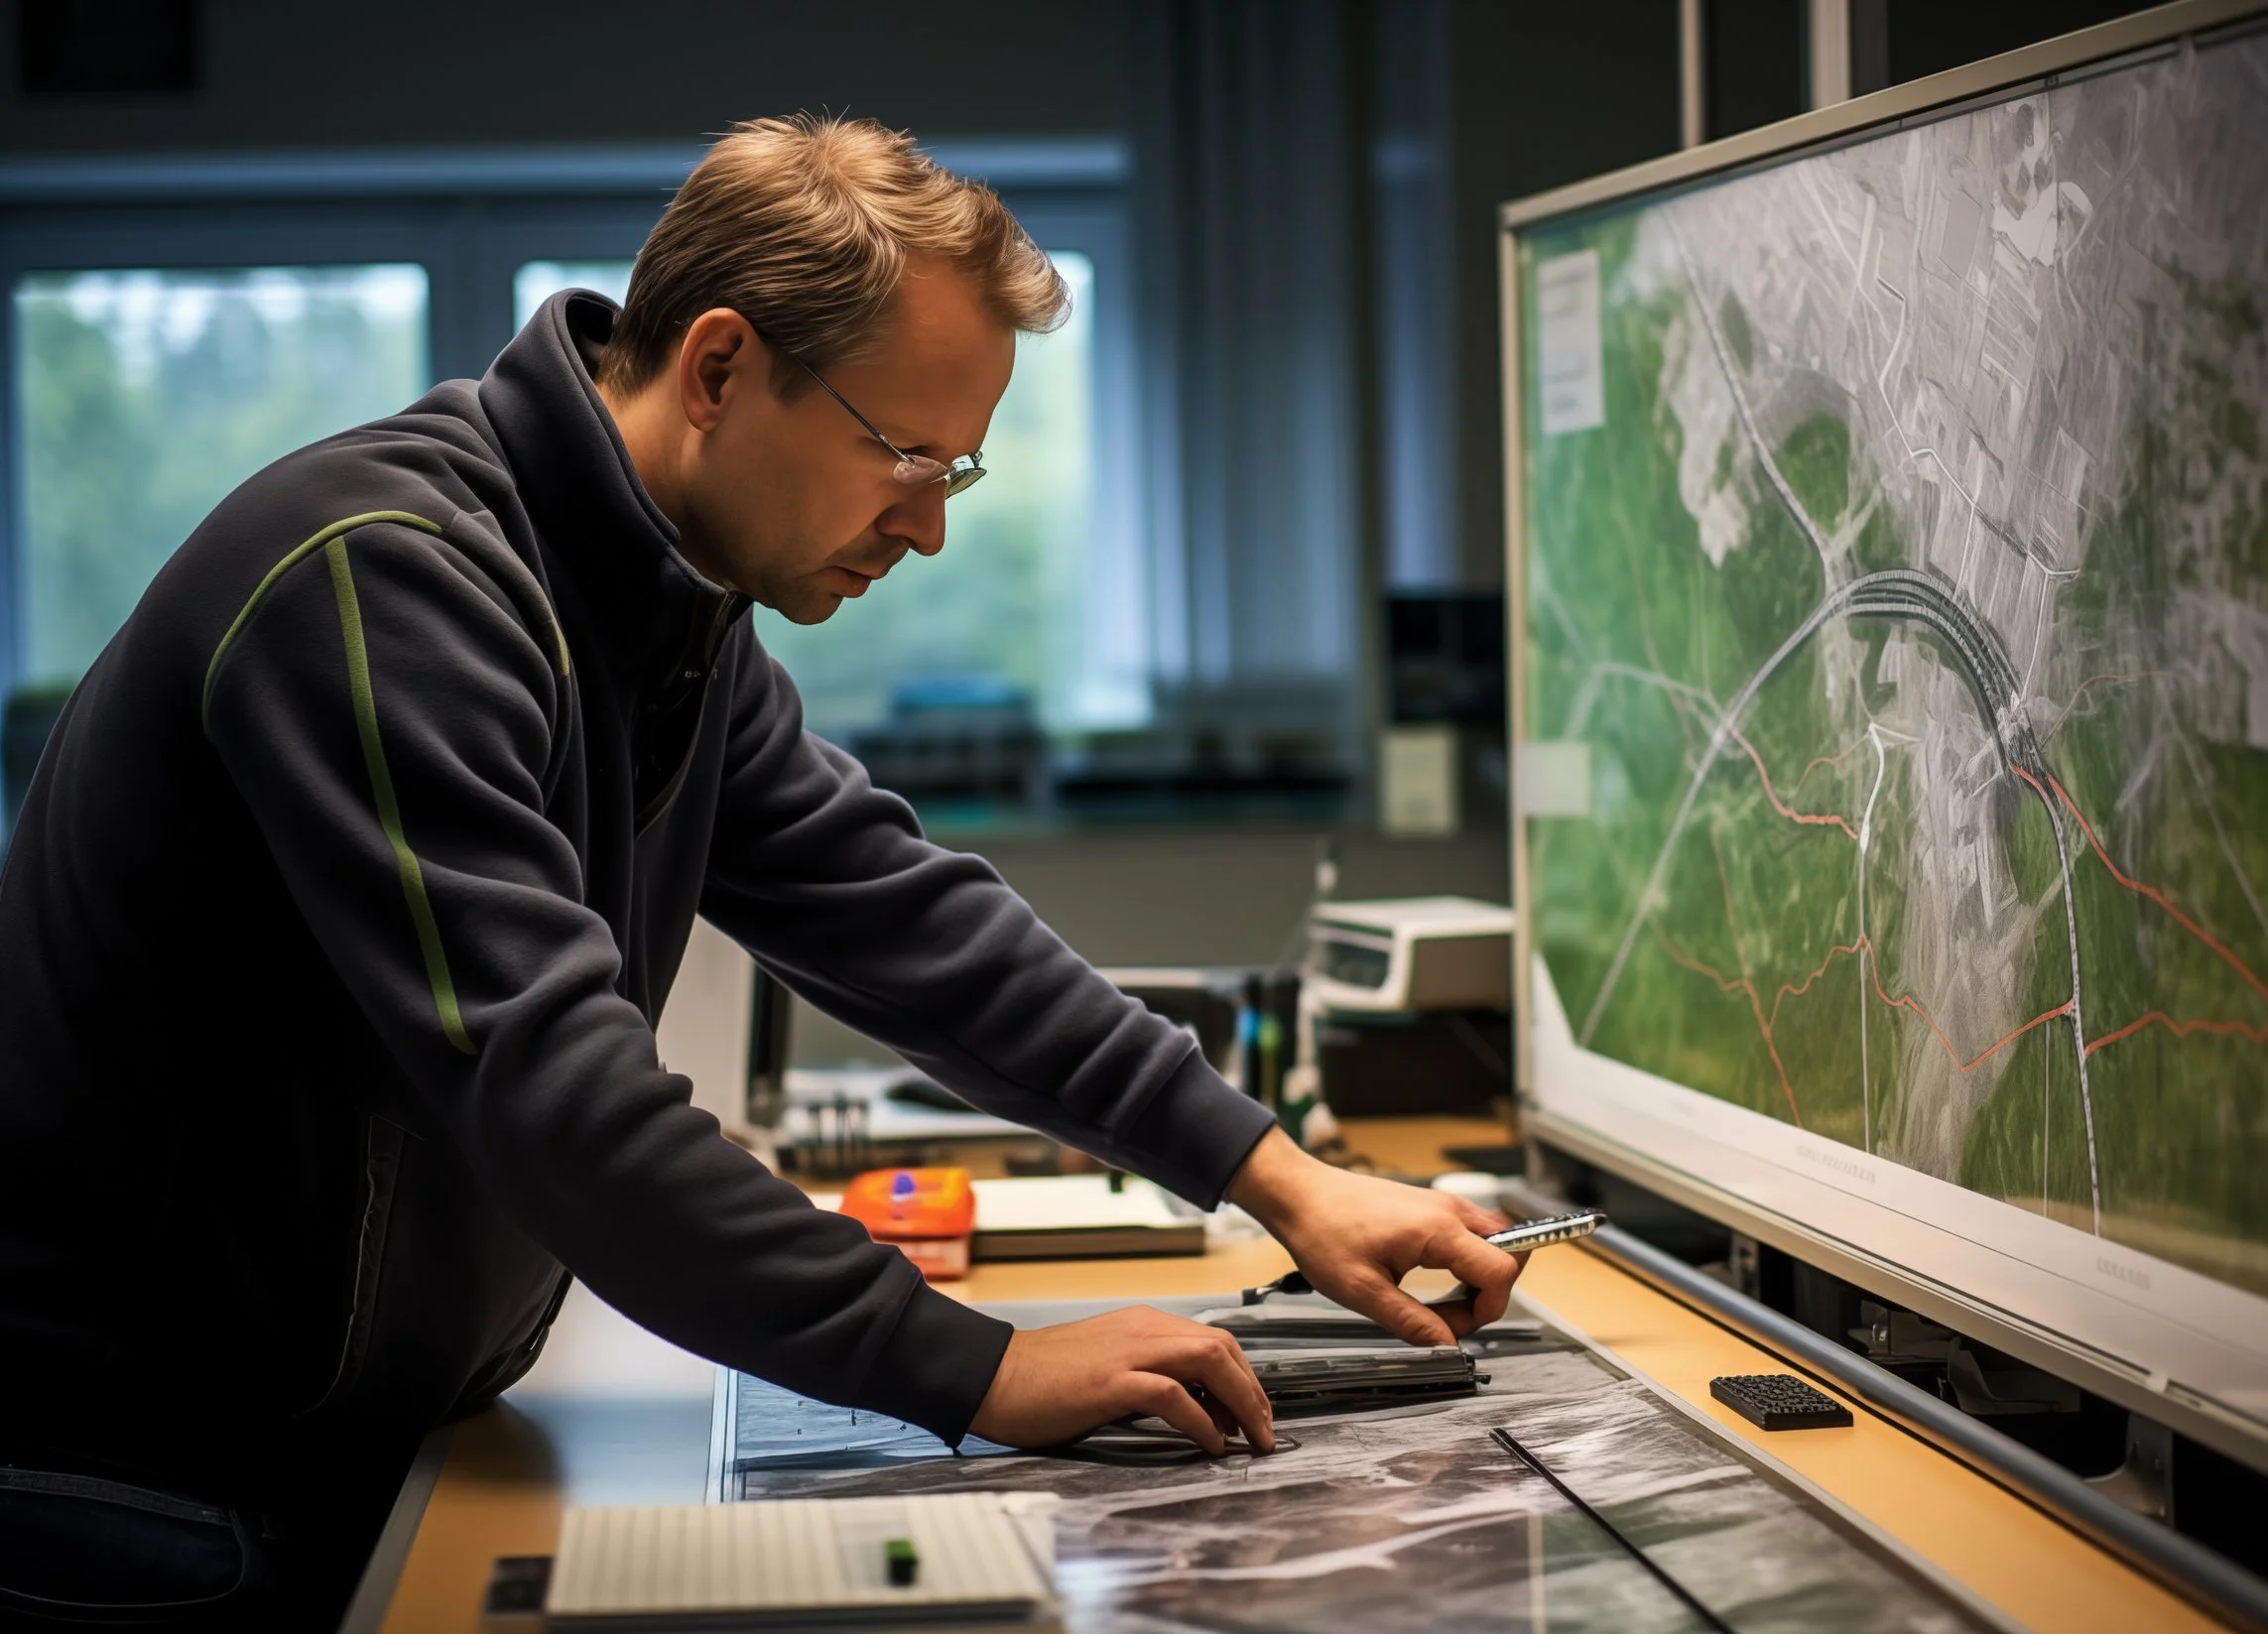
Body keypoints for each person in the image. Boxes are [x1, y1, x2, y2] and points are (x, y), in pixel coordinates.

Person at [0, 115, 1523, 1629]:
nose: (929, 525)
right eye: (905, 455)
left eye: (959, 469)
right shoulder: (381, 581)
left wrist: (1279, 1177)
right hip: (141, 1493)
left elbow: (906, 920)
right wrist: (976, 1367)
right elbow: (563, 1101)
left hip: (347, 1443)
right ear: (720, 367)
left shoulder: (665, 606)